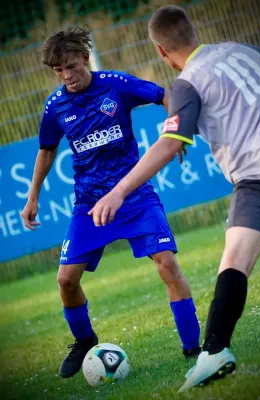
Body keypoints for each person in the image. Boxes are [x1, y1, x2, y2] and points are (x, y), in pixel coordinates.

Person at [89, 6, 260, 392]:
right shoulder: (239, 50)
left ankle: (213, 352)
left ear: (161, 52)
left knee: (236, 261)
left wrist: (118, 190)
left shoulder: (187, 82)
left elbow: (168, 145)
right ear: (193, 31)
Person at [20, 25, 201, 379]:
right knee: (66, 281)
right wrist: (32, 196)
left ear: (85, 58)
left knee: (166, 263)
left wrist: (178, 133)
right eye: (58, 71)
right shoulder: (56, 106)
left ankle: (194, 348)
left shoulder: (115, 85)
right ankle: (85, 341)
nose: (66, 76)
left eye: (71, 66)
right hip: (89, 204)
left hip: (135, 196)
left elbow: (166, 95)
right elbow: (46, 150)